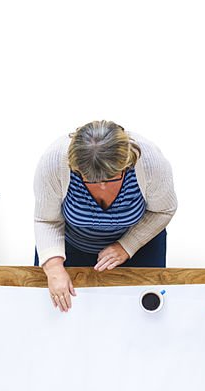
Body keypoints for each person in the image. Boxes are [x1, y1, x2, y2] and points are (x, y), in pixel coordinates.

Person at [34, 121, 177, 311]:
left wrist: (127, 245)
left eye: (111, 179)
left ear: (126, 164)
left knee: (139, 314)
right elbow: (47, 220)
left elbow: (163, 210)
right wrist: (53, 268)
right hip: (71, 244)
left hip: (139, 244)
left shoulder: (150, 161)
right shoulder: (54, 161)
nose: (101, 187)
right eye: (91, 180)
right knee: (60, 312)